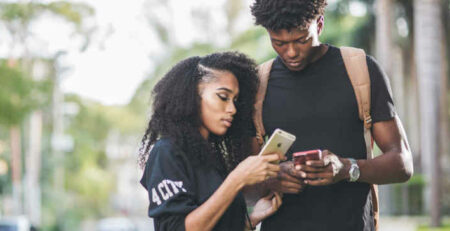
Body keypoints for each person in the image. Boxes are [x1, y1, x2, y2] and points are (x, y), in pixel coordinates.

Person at [248, 0, 414, 230]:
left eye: (301, 40)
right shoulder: (258, 86)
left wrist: (347, 168)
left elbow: (402, 164)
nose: (291, 52)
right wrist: (273, 177)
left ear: (319, 25)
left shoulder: (361, 70)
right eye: (279, 43)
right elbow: (242, 180)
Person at [139, 52, 283, 231]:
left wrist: (251, 220)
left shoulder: (211, 156)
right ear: (191, 96)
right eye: (223, 97)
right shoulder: (167, 152)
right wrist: (236, 179)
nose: (232, 109)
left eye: (235, 101)